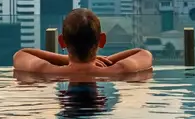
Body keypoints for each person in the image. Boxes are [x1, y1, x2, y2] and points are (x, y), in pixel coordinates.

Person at [13, 8, 153, 76]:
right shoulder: (119, 70)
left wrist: (65, 60)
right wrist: (107, 61)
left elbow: (21, 54)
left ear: (61, 41)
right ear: (102, 40)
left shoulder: (47, 71)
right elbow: (143, 54)